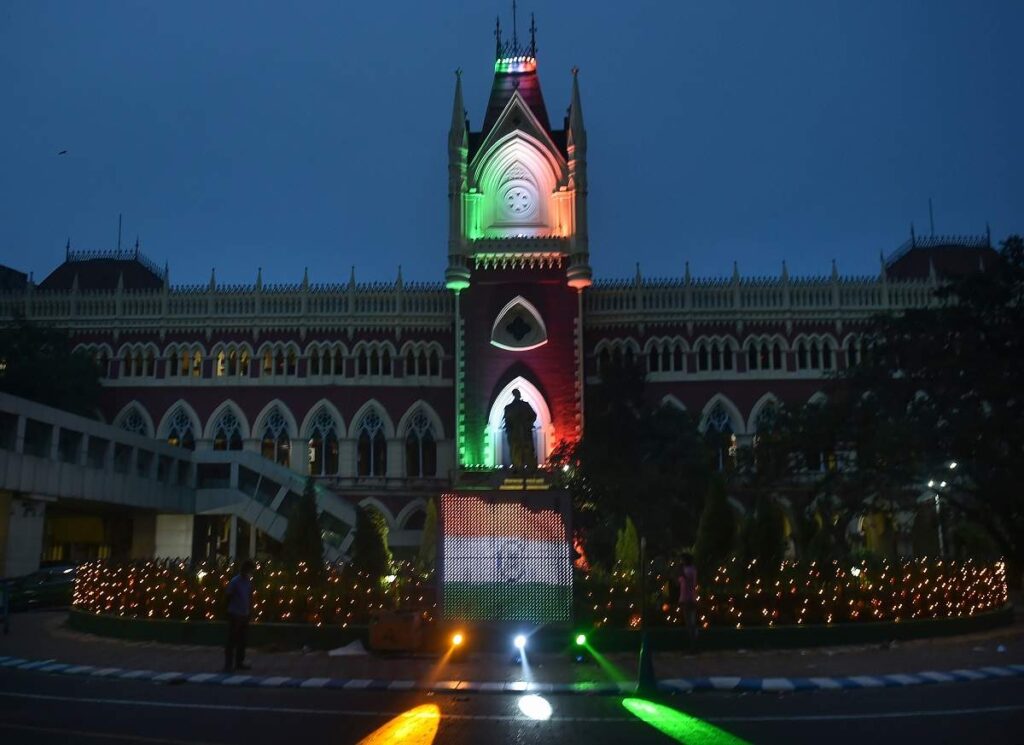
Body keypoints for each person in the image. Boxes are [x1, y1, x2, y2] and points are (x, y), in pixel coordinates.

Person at [224, 559, 255, 672]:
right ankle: (228, 664)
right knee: (232, 640)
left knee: (242, 640)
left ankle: (239, 662)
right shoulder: (235, 581)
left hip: (244, 614)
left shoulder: (248, 581)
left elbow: (249, 596)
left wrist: (249, 611)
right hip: (235, 614)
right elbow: (228, 595)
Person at [503, 388, 537, 469]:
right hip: (515, 433)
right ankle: (518, 467)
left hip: (525, 432)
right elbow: (507, 421)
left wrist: (528, 423)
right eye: (516, 394)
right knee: (516, 450)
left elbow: (533, 415)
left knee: (527, 449)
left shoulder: (525, 405)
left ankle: (530, 468)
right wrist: (509, 429)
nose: (518, 395)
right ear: (514, 395)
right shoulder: (509, 407)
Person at [678, 552, 699, 648]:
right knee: (691, 622)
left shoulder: (688, 570)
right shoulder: (692, 569)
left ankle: (693, 645)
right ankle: (693, 644)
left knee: (690, 623)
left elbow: (686, 582)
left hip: (688, 598)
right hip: (690, 597)